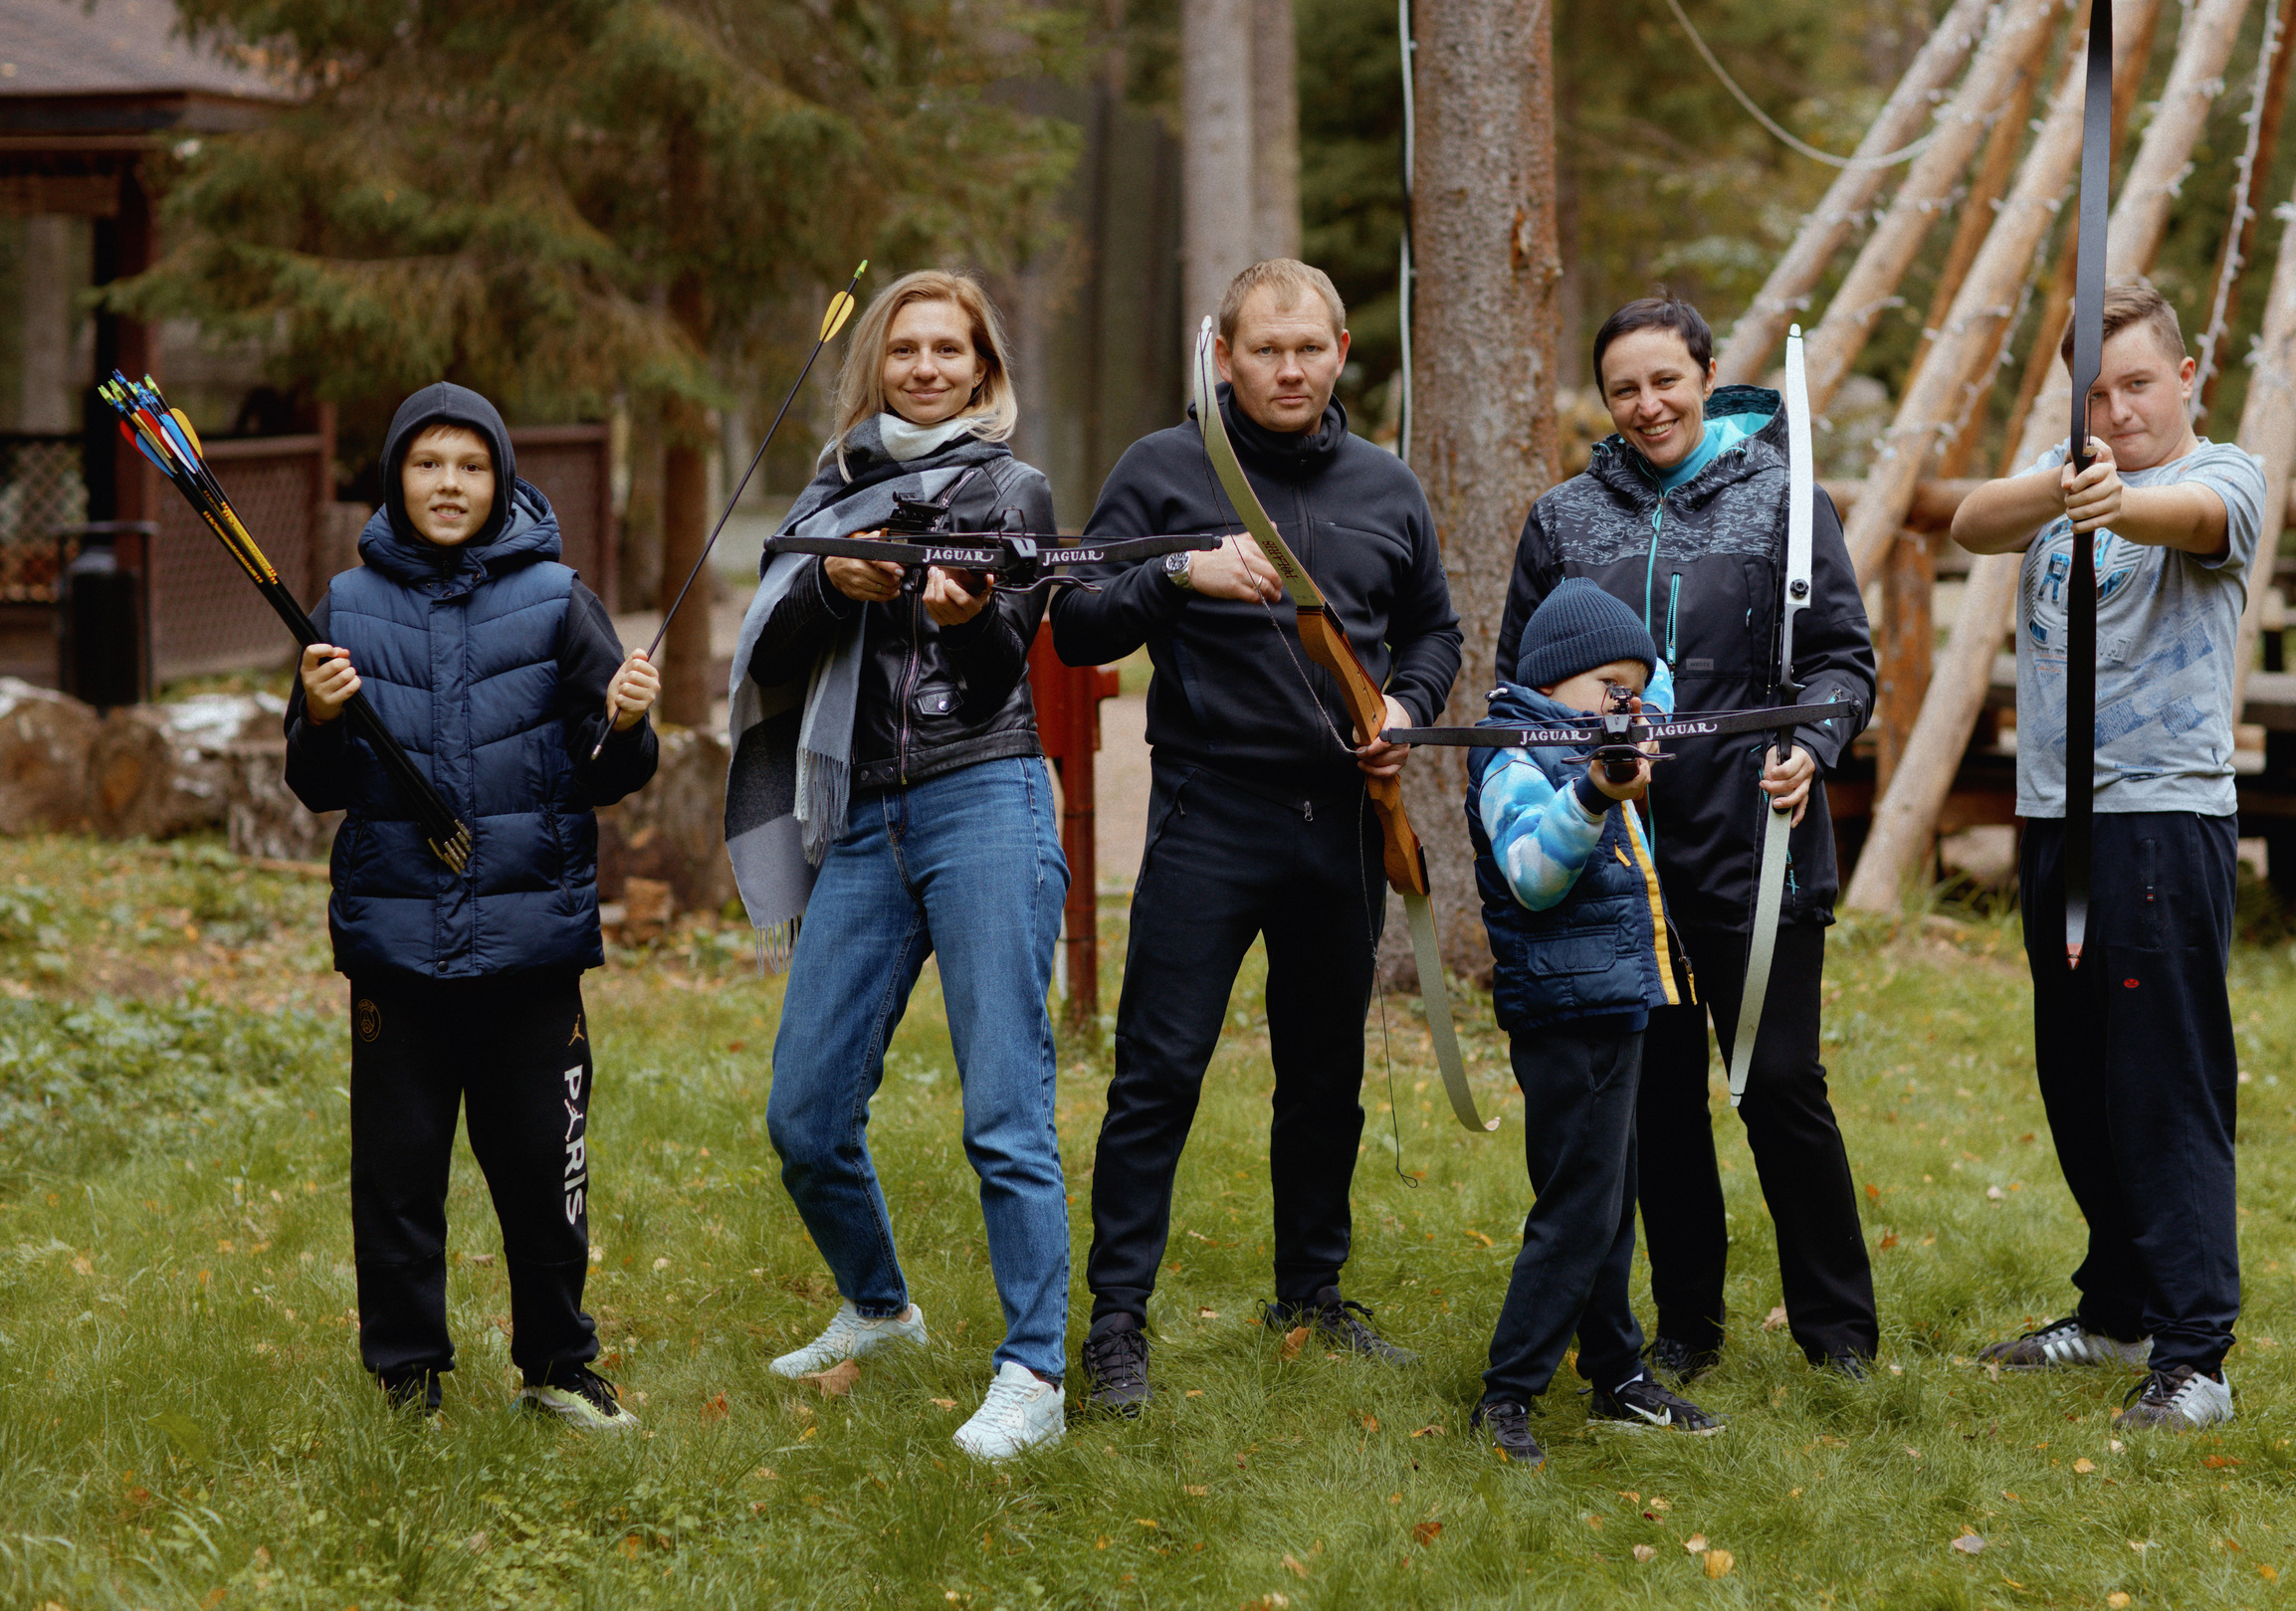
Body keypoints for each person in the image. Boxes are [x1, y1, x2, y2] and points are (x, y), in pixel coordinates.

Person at [1048, 258, 1464, 1413]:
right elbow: (1076, 624)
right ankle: (1117, 1319)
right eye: (1266, 349)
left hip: (1339, 823)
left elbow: (1434, 631)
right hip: (1207, 816)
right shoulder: (1163, 469)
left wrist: (1407, 712)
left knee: (1326, 1078)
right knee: (1158, 1075)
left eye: (1310, 348)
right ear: (1223, 355)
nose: (1289, 369)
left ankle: (1312, 1295)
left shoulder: (1386, 487)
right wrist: (1177, 573)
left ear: (1340, 355)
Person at [1497, 295, 1880, 1379]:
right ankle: (1687, 1327)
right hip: (1620, 856)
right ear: (1604, 399)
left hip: (1756, 841)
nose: (1647, 403)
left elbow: (1841, 660)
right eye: (1624, 387)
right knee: (1656, 1103)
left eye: (1666, 379)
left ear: (1707, 376)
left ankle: (1837, 1332)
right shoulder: (1563, 520)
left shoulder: (1785, 502)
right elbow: (1522, 685)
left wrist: (1813, 741)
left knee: (1779, 1084)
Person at [728, 271, 1073, 1463]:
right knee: (806, 1113)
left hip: (984, 794)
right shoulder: (830, 491)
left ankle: (1036, 1372)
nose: (926, 368)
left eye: (949, 350)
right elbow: (767, 640)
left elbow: (995, 675)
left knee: (1003, 1112)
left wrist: (966, 612)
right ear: (875, 364)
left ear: (984, 369)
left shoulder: (1010, 488)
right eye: (905, 349)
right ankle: (879, 1308)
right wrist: (836, 579)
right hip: (862, 811)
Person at [286, 381, 661, 1429]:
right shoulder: (345, 605)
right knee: (398, 1178)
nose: (447, 485)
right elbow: (316, 782)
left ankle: (558, 1365)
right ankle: (408, 1376)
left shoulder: (556, 598)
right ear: (395, 478)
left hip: (530, 947)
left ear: (499, 481)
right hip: (396, 950)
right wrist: (318, 718)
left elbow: (609, 769)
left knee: (546, 1172)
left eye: (469, 466)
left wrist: (626, 725)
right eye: (426, 464)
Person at [1949, 280, 2259, 1432]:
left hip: (2159, 816)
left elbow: (2192, 526)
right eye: (2095, 390)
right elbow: (1971, 523)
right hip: (2054, 814)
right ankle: (2118, 1305)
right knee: (2076, 1076)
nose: (2118, 408)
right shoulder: (2059, 472)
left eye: (2138, 383)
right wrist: (2063, 479)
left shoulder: (2220, 474)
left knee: (2161, 1085)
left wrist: (2114, 500)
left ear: (2185, 379)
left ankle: (2194, 1356)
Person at [1465, 579, 1725, 1468]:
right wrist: (1592, 795)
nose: (1631, 704)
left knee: (1612, 1206)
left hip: (1615, 1003)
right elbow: (1535, 872)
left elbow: (1665, 700)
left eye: (1637, 689)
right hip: (1562, 1014)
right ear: (1557, 681)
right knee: (1575, 1212)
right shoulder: (1512, 755)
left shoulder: (1603, 730)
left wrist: (1631, 728)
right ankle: (1508, 1390)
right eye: (1613, 687)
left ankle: (1616, 1375)